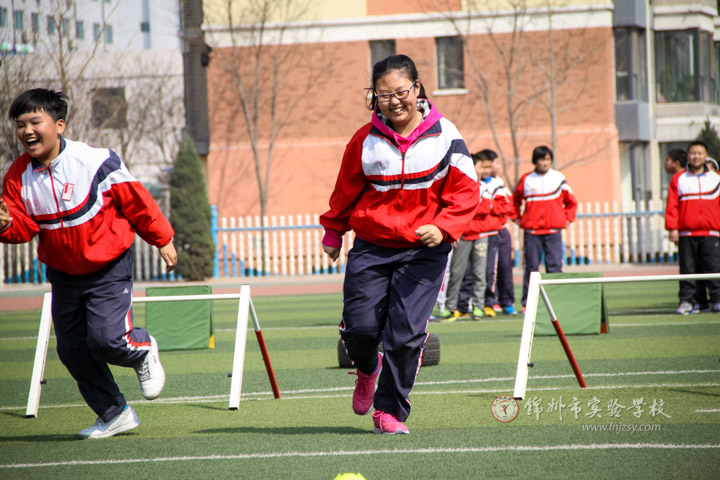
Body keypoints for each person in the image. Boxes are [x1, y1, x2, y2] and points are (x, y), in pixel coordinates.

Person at [0, 88, 177, 439]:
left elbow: (136, 201)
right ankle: (115, 413)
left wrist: (163, 238)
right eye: (20, 125)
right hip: (63, 274)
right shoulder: (17, 176)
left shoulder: (95, 161)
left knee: (108, 340)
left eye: (35, 121)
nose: (27, 131)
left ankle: (141, 350)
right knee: (72, 349)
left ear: (59, 124)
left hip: (108, 266)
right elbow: (23, 227)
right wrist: (5, 225)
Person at [319, 55, 479, 434]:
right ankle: (366, 369)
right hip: (372, 247)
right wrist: (332, 232)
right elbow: (345, 191)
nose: (394, 101)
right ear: (374, 96)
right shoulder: (364, 140)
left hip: (425, 252)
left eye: (401, 92)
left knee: (405, 335)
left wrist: (442, 228)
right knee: (359, 330)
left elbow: (466, 192)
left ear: (417, 89)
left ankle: (388, 411)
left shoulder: (446, 135)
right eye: (384, 94)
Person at [513, 146, 577, 310]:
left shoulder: (558, 177)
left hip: (553, 232)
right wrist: (519, 219)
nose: (545, 163)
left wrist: (567, 219)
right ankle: (529, 303)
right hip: (532, 233)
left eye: (548, 159)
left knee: (555, 267)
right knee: (531, 268)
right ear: (536, 161)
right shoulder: (526, 179)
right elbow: (514, 202)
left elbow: (571, 202)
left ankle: (558, 301)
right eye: (542, 159)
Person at [664, 141, 720, 315]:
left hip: (711, 233)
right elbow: (672, 205)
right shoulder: (679, 179)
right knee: (688, 269)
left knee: (714, 267)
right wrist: (673, 228)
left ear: (706, 156)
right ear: (687, 156)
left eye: (699, 153)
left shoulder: (716, 178)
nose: (696, 156)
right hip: (686, 233)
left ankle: (717, 300)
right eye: (693, 153)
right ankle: (688, 301)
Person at [439, 152, 493, 321]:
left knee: (479, 273)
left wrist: (467, 208)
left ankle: (478, 307)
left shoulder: (484, 187)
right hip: (461, 235)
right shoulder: (458, 186)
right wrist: (456, 226)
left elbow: (485, 209)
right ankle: (450, 308)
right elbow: (453, 208)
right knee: (456, 272)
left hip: (481, 235)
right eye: (480, 166)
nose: (483, 170)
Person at [481, 150, 517, 316]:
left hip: (500, 231)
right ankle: (489, 301)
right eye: (487, 165)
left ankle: (507, 301)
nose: (492, 168)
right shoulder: (474, 183)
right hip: (483, 232)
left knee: (504, 266)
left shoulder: (499, 183)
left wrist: (488, 207)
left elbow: (506, 207)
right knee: (486, 269)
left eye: (493, 164)